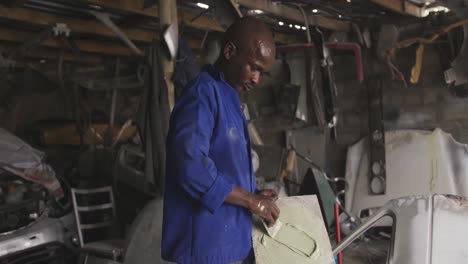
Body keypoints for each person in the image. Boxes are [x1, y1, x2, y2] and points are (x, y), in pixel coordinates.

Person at [162, 17, 280, 264]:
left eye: (262, 73)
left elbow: (223, 166)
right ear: (229, 51)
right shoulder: (201, 95)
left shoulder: (229, 99)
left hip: (230, 245)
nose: (257, 79)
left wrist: (253, 192)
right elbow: (190, 166)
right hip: (205, 249)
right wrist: (251, 201)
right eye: (254, 67)